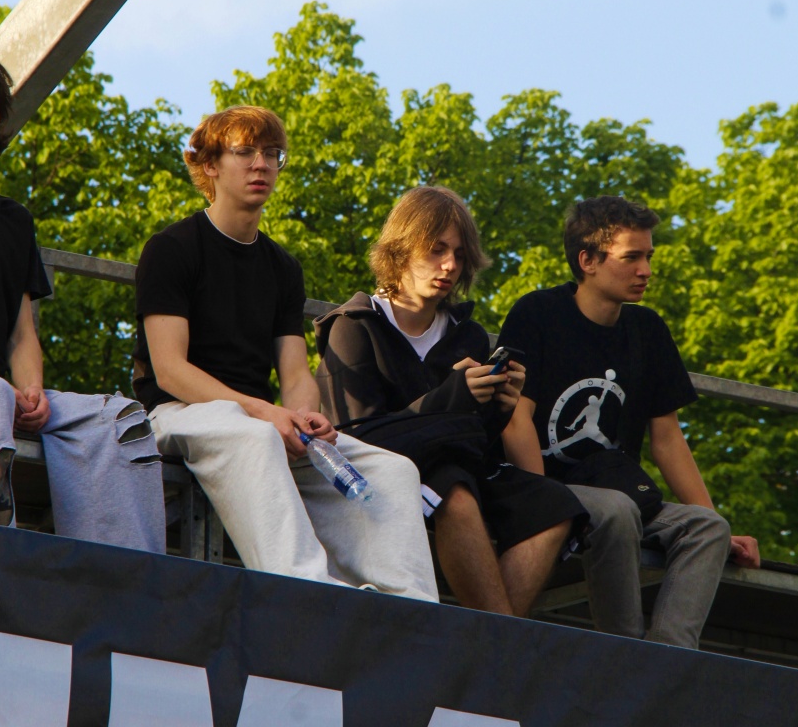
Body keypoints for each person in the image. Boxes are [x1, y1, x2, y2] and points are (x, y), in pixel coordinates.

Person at [132, 105, 438, 601]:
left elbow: (295, 374)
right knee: (254, 436)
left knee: (393, 471)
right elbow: (169, 371)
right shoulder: (172, 248)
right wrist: (265, 413)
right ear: (209, 165)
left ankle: (409, 608)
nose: (262, 164)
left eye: (272, 153)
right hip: (178, 414)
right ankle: (304, 595)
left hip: (258, 423)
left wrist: (303, 416)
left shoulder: (282, 267)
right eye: (245, 152)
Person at [499, 195, 760, 648]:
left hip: (619, 489)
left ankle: (666, 657)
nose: (646, 270)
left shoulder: (648, 330)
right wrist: (543, 501)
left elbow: (668, 439)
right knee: (616, 511)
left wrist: (714, 517)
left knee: (708, 530)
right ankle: (623, 652)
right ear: (588, 261)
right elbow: (515, 418)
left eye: (649, 257)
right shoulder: (538, 314)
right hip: (549, 487)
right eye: (631, 257)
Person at [314, 185, 586, 617]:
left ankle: (488, 637)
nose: (450, 266)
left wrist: (500, 405)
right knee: (454, 493)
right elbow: (356, 437)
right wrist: (454, 394)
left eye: (459, 255)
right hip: (386, 476)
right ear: (401, 249)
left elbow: (476, 439)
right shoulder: (354, 326)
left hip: (465, 468)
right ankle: (500, 639)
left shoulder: (468, 335)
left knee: (555, 503)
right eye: (436, 249)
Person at [0, 46, 165, 551]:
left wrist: (30, 391)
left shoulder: (14, 221)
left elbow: (21, 332)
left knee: (121, 419)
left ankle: (122, 581)